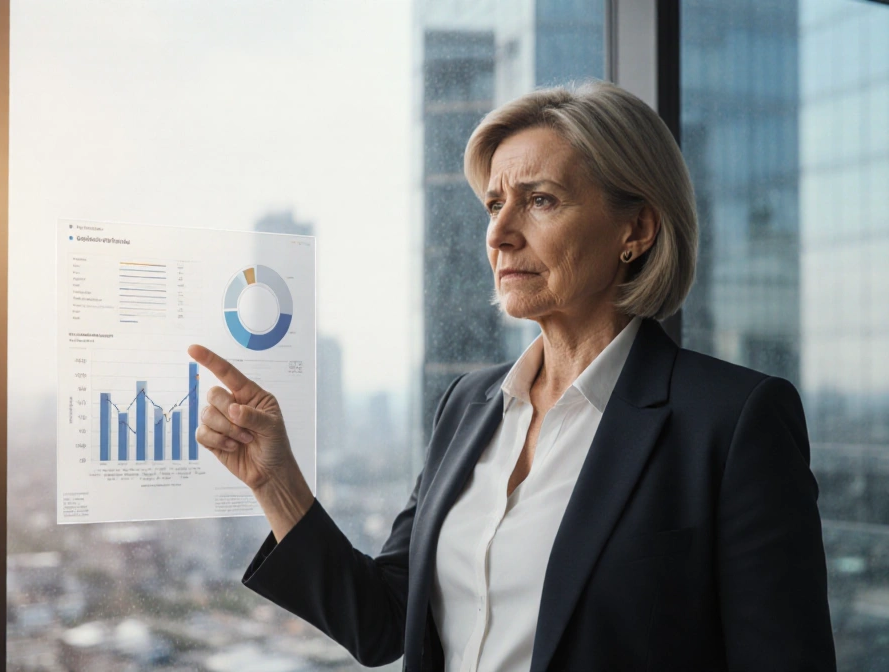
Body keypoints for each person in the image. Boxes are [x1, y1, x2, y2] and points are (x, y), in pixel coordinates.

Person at [188, 80, 836, 672]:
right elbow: (385, 621)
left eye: (541, 200)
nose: (499, 233)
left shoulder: (732, 420)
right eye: (495, 203)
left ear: (635, 229)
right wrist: (277, 483)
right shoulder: (468, 405)